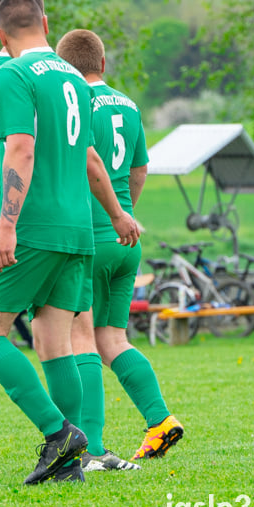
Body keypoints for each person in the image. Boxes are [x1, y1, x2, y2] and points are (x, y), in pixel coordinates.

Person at [0, 0, 139, 481]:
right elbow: (92, 157)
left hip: (31, 228)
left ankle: (59, 435)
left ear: (1, 34)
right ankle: (71, 463)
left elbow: (20, 151)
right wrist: (117, 214)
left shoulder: (12, 72)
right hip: (78, 232)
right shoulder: (75, 78)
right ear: (47, 25)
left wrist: (6, 225)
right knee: (57, 344)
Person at [57, 29, 183, 469]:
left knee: (81, 338)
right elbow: (140, 167)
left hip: (88, 235)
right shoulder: (128, 105)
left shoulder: (71, 101)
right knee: (113, 338)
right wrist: (124, 211)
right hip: (126, 238)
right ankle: (160, 419)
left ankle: (91, 447)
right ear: (103, 64)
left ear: (65, 69)